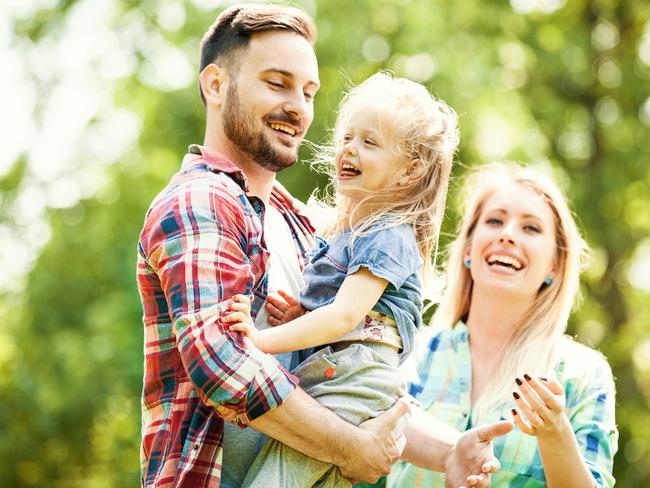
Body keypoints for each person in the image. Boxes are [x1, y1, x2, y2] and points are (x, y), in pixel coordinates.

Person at [136, 4, 510, 487]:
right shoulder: (202, 201)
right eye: (277, 83)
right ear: (215, 85)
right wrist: (350, 448)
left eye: (308, 92)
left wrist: (447, 452)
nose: (298, 106)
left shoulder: (308, 230)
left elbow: (349, 381)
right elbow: (222, 364)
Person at [224, 72, 513, 488]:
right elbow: (338, 314)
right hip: (334, 373)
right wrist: (302, 316)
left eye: (369, 142)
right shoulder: (344, 234)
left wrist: (257, 339)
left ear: (409, 171)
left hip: (354, 380)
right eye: (347, 137)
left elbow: (344, 318)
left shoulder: (388, 235)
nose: (349, 149)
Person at [389, 162, 618, 486]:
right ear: (469, 250)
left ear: (554, 265)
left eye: (531, 228)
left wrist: (555, 434)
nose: (507, 235)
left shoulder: (582, 374)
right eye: (495, 221)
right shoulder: (409, 352)